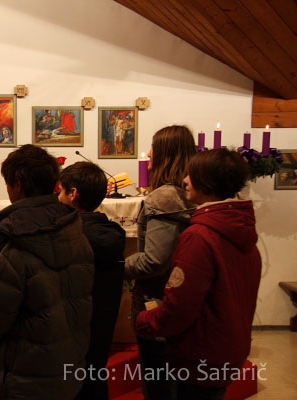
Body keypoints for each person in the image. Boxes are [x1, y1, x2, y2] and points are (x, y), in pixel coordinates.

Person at [136, 148, 261, 400]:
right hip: (226, 349)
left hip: (201, 356)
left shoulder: (199, 236)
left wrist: (145, 320)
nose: (184, 181)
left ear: (206, 182)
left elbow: (179, 309)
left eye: (190, 175)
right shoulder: (240, 226)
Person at [0, 144, 94, 400]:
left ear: (17, 184)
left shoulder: (12, 242)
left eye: (7, 184)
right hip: (70, 366)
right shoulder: (75, 229)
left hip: (25, 374)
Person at [124, 125, 196, 400]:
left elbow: (154, 261)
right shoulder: (191, 193)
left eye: (154, 147)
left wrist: (117, 266)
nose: (149, 153)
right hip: (182, 298)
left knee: (160, 385)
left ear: (166, 153)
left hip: (158, 302)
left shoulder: (164, 197)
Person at [58, 161, 127, 400]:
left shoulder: (68, 238)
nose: (58, 196)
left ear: (73, 194)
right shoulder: (112, 234)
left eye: (61, 190)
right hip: (102, 331)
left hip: (71, 336)